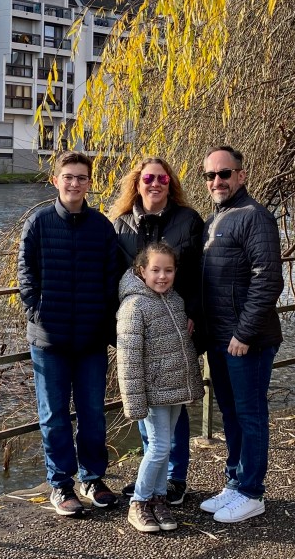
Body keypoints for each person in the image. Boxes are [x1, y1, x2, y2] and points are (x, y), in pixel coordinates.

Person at [18, 150, 122, 517]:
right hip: (50, 338)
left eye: (81, 177)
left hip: (91, 338)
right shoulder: (39, 222)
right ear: (56, 181)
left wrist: (104, 321)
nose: (74, 183)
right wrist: (37, 312)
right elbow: (26, 273)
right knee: (54, 415)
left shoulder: (101, 226)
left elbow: (111, 278)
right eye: (68, 177)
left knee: (93, 413)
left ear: (89, 183)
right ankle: (61, 484)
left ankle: (92, 478)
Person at [109, 156, 204, 506]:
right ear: (137, 183)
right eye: (148, 178)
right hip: (140, 324)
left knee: (175, 399)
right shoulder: (120, 224)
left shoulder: (188, 220)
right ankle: (152, 479)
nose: (155, 184)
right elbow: (113, 276)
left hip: (178, 323)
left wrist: (193, 312)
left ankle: (174, 478)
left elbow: (199, 272)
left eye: (162, 178)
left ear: (170, 183)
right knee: (148, 405)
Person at [198, 145, 284, 524]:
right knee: (230, 413)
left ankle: (252, 492)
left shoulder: (254, 217)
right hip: (219, 339)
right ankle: (234, 482)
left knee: (250, 415)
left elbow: (268, 280)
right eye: (211, 175)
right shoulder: (213, 220)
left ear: (241, 175)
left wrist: (244, 333)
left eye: (224, 173)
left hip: (247, 341)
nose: (217, 181)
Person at [116, 242, 205, 533]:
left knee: (164, 449)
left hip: (174, 389)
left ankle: (157, 498)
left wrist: (189, 385)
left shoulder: (174, 300)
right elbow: (128, 359)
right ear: (142, 271)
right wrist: (135, 402)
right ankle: (139, 502)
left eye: (168, 270)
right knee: (159, 446)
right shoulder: (134, 306)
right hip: (153, 392)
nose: (162, 276)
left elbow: (183, 348)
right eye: (155, 270)